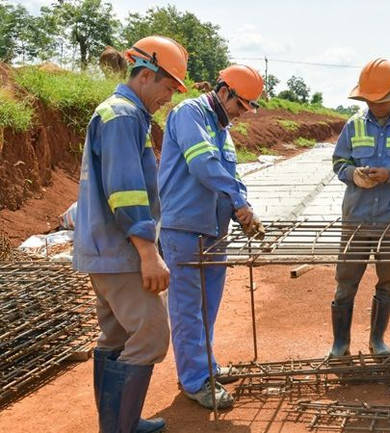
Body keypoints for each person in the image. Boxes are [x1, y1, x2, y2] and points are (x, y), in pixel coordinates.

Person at [72, 35, 188, 432]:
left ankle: (119, 424)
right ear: (146, 75)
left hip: (102, 250)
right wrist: (148, 253)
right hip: (121, 252)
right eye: (168, 88)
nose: (168, 99)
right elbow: (125, 191)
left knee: (116, 337)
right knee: (151, 337)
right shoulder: (123, 116)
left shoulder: (120, 113)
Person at [158, 64, 265, 409]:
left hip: (215, 230)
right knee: (188, 308)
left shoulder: (222, 128)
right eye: (239, 106)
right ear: (224, 92)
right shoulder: (190, 113)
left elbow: (229, 174)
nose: (240, 114)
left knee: (208, 307)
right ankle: (194, 380)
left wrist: (242, 208)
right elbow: (204, 165)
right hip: (186, 229)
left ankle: (206, 365)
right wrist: (238, 200)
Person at [329, 58, 390, 357]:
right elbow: (339, 162)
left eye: (381, 100)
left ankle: (377, 341)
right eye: (371, 100)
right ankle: (340, 343)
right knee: (346, 282)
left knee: (387, 281)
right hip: (356, 219)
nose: (376, 106)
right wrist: (353, 175)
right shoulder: (353, 125)